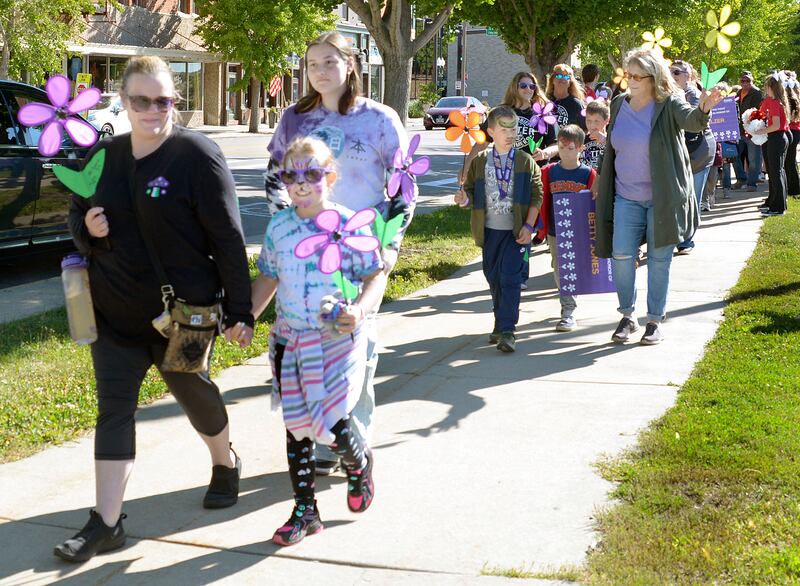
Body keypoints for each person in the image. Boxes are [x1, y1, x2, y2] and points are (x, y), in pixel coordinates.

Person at [57, 56, 254, 562]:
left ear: (175, 102)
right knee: (113, 411)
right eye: (141, 100)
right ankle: (106, 523)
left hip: (183, 315)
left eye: (163, 100)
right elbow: (77, 216)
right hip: (114, 315)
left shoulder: (196, 155)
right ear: (123, 103)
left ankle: (224, 462)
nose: (152, 110)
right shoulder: (103, 155)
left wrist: (240, 309)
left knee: (194, 393)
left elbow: (228, 238)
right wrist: (90, 231)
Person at [264, 31, 413, 476]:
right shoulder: (294, 119)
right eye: (312, 64)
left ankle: (353, 440)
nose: (320, 71)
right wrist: (286, 231)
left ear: (350, 65)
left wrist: (389, 242)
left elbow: (404, 183)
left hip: (359, 250)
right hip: (306, 255)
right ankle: (324, 430)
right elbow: (275, 178)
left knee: (356, 340)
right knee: (311, 341)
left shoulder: (380, 119)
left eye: (330, 62)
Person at [251, 137, 383, 546]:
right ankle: (305, 510)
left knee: (329, 419)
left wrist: (359, 310)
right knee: (297, 428)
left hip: (338, 339)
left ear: (331, 176)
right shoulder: (279, 227)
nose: (302, 184)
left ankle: (358, 462)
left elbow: (375, 275)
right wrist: (245, 320)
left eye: (312, 174)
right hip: (291, 340)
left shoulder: (348, 225)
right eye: (292, 175)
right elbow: (269, 277)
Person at [594, 48, 723, 345]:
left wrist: (704, 107)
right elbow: (612, 148)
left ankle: (654, 320)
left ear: (653, 78)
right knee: (622, 256)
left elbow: (691, 120)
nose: (632, 80)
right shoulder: (618, 103)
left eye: (638, 76)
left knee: (659, 258)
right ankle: (627, 316)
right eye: (629, 75)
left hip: (661, 197)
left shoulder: (668, 103)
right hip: (625, 195)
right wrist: (601, 177)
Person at [454, 106, 543, 352]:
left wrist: (528, 225)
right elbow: (470, 192)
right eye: (504, 129)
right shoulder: (481, 162)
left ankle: (507, 330)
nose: (510, 133)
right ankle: (499, 319)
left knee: (510, 278)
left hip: (516, 233)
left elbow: (537, 196)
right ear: (491, 132)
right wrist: (464, 199)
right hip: (489, 231)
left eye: (513, 128)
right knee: (493, 277)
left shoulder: (525, 162)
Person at [538, 125, 597, 331]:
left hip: (580, 232)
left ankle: (568, 309)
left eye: (570, 147)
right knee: (560, 267)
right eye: (561, 147)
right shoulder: (549, 172)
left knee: (574, 268)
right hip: (556, 231)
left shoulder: (589, 174)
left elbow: (596, 203)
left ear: (580, 148)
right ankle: (568, 309)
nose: (565, 151)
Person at [670, 60, 716, 254]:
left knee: (692, 197)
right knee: (677, 197)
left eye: (677, 72)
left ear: (688, 76)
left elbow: (694, 123)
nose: (673, 75)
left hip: (699, 152)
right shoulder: (665, 95)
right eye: (670, 72)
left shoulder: (694, 95)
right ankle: (677, 235)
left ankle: (686, 241)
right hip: (678, 152)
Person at [753, 73, 791, 216]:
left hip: (777, 138)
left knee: (776, 173)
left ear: (771, 87)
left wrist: (760, 130)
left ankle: (777, 208)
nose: (765, 89)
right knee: (778, 172)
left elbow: (775, 125)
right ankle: (779, 204)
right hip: (779, 138)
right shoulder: (777, 101)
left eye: (766, 86)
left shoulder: (775, 103)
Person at [733, 71, 764, 191]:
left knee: (753, 159)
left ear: (752, 80)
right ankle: (741, 179)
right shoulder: (738, 92)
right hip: (738, 130)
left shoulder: (756, 93)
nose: (745, 83)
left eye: (748, 80)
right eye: (742, 81)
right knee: (734, 155)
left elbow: (757, 112)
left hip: (751, 130)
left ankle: (752, 184)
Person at [545, 63, 586, 131]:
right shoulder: (544, 102)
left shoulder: (576, 104)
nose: (563, 79)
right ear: (552, 80)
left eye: (567, 77)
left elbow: (584, 130)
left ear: (570, 83)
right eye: (559, 75)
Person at [782, 70, 800, 198]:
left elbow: (791, 118)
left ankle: (794, 188)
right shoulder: (796, 95)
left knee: (789, 161)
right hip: (795, 130)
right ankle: (793, 187)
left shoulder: (789, 99)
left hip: (792, 130)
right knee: (790, 161)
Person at [583, 99, 610, 170]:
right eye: (588, 121)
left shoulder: (613, 140)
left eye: (596, 121)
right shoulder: (581, 140)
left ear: (607, 120)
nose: (592, 126)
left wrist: (604, 140)